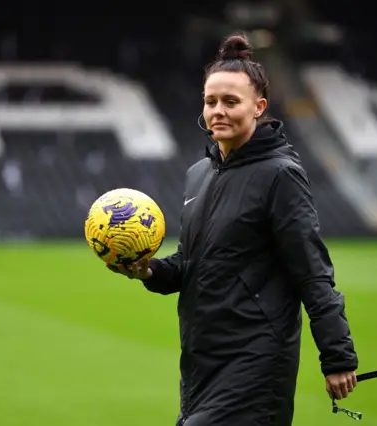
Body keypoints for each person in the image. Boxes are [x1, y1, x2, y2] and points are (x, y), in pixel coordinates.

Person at [108, 31, 359, 426]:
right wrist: (150, 269)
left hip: (256, 362)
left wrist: (338, 356)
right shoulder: (199, 175)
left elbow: (313, 272)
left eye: (231, 101)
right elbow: (193, 264)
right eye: (211, 102)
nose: (218, 111)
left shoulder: (281, 176)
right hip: (201, 364)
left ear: (259, 107)